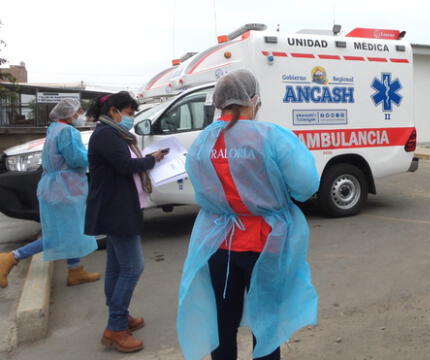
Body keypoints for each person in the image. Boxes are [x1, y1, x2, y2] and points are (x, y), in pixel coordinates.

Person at [176, 70, 320, 360]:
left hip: (218, 244)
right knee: (265, 324)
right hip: (265, 245)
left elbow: (201, 189)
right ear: (252, 99)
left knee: (223, 323)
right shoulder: (272, 136)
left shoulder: (203, 141)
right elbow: (306, 185)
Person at [85, 92, 166, 353]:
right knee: (133, 268)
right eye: (129, 114)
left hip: (117, 206)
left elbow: (125, 163)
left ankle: (119, 317)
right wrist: (152, 160)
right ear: (114, 111)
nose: (131, 119)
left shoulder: (110, 133)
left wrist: (150, 159)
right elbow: (123, 165)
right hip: (117, 209)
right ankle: (116, 327)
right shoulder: (107, 135)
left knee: (117, 268)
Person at [0, 99, 100, 288]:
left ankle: (75, 270)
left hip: (55, 186)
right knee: (61, 235)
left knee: (71, 230)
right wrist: (95, 156)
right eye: (78, 112)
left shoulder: (54, 128)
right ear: (69, 114)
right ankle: (11, 257)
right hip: (65, 188)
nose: (80, 116)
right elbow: (77, 159)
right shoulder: (68, 132)